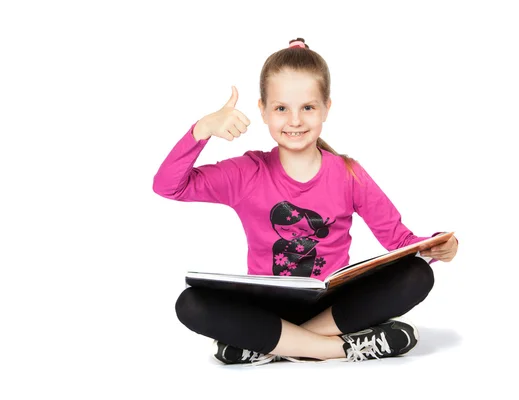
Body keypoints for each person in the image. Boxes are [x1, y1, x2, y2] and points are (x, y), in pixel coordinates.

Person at [153, 38, 459, 365]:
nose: (295, 121)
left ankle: (271, 346)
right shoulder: (247, 173)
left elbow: (400, 240)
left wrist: (438, 246)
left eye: (308, 108)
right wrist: (202, 130)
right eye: (281, 108)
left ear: (327, 107)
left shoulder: (348, 174)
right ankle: (336, 348)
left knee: (417, 274)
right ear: (263, 111)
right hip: (269, 307)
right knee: (191, 303)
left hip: (331, 307)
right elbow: (169, 186)